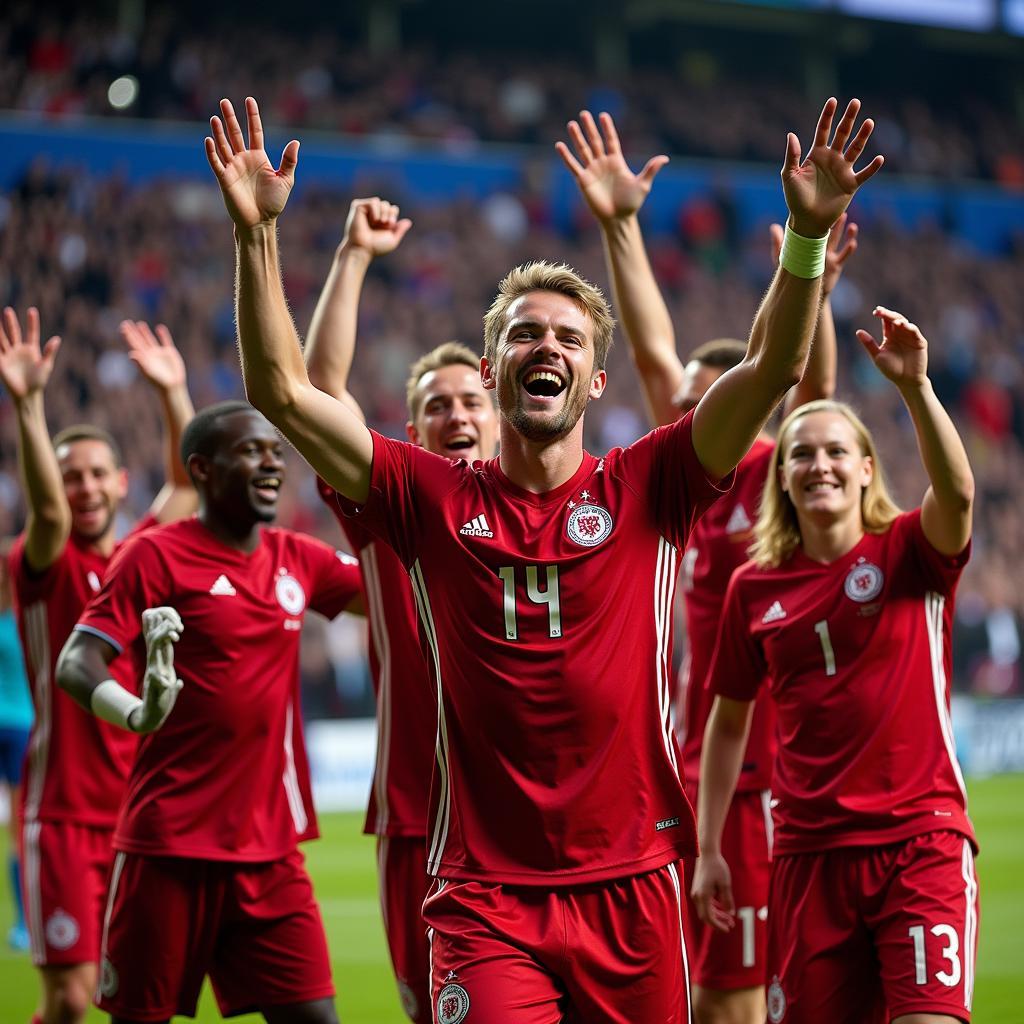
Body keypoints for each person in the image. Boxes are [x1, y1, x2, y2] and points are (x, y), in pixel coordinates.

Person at [205, 93, 882, 1021]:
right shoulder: (426, 495)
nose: (545, 347)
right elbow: (281, 390)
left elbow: (769, 371)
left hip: (636, 882)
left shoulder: (653, 483)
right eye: (524, 333)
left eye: (567, 337)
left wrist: (806, 240)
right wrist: (256, 238)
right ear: (491, 369)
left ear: (593, 379)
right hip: (483, 896)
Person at [555, 110, 857, 1024]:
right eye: (678, 398)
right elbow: (653, 356)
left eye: (696, 399)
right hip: (672, 773)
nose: (674, 407)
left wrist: (808, 272)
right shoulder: (672, 488)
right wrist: (618, 227)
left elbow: (809, 389)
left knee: (730, 1003)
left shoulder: (773, 478)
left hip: (760, 782)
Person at [692, 307, 978, 1024]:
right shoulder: (751, 589)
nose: (819, 464)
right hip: (806, 857)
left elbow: (960, 495)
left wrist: (916, 388)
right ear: (781, 477)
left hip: (919, 841)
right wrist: (709, 849)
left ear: (865, 470)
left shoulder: (910, 551)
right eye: (801, 454)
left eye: (836, 451)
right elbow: (727, 724)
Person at [56, 400, 364, 1024]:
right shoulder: (154, 556)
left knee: (317, 1019)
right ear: (200, 468)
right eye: (252, 451)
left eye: (276, 453)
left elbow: (399, 592)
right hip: (167, 847)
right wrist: (136, 711)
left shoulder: (298, 559)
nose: (272, 464)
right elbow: (76, 662)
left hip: (270, 850)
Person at [304, 195, 497, 1023]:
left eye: (470, 401)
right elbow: (320, 392)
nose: (456, 414)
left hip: (528, 813)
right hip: (421, 807)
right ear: (411, 432)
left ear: (498, 416)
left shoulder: (560, 507)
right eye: (437, 406)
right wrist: (351, 256)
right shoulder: (388, 507)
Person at [0, 309, 195, 1024]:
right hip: (60, 815)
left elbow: (187, 486)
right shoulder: (42, 563)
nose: (80, 488)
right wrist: (28, 403)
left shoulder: (140, 556)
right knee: (70, 999)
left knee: (136, 996)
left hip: (139, 815)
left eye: (94, 476)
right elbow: (46, 512)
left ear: (120, 484)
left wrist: (175, 394)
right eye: (69, 475)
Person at [0, 541, 33, 951]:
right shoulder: (26, 616)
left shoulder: (25, 617)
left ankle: (24, 922)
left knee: (18, 829)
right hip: (22, 727)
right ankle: (24, 923)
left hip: (20, 729)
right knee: (19, 829)